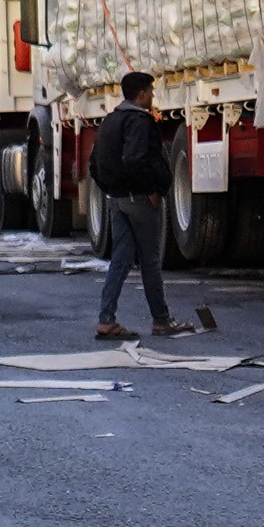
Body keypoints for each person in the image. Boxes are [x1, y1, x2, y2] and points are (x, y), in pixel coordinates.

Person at [89, 70, 189, 341]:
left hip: (117, 200)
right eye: (151, 92)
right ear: (142, 93)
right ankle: (161, 320)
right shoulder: (140, 122)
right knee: (150, 261)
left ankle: (106, 320)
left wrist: (112, 189)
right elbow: (136, 160)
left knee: (120, 259)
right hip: (140, 200)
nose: (153, 97)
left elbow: (94, 163)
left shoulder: (110, 121)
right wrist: (153, 189)